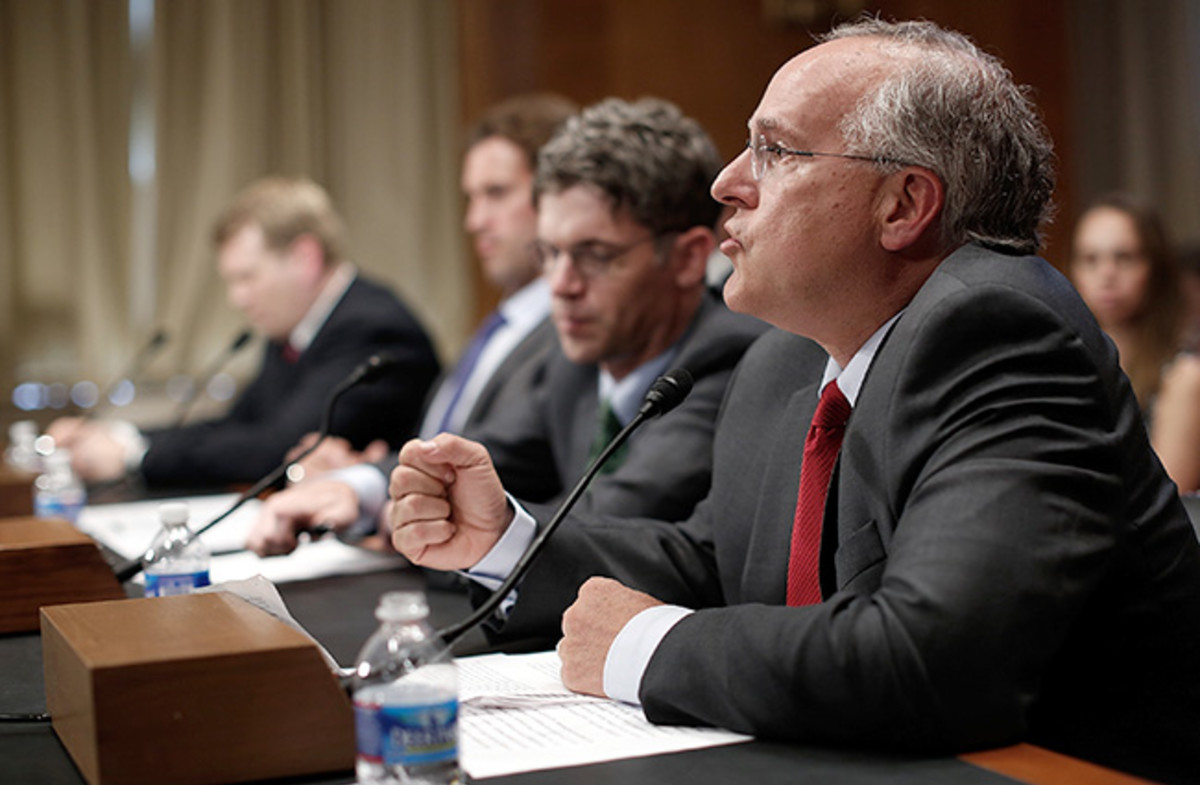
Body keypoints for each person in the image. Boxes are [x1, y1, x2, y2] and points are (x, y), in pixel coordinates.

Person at [387, 18, 1200, 785]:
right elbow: (715, 561)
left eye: (773, 151)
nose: (726, 183)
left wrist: (644, 644)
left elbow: (935, 660)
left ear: (904, 205)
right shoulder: (787, 358)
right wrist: (507, 541)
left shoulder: (999, 331)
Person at [251, 97, 766, 564]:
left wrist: (426, 525)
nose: (561, 286)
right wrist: (358, 490)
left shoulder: (727, 360)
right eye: (550, 253)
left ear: (687, 258)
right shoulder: (575, 365)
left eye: (595, 256)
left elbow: (606, 524)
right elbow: (485, 455)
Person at [248, 93, 577, 554]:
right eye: (471, 197)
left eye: (496, 194)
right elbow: (452, 436)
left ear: (557, 196)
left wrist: (361, 484)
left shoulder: (575, 326)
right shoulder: (502, 324)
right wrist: (361, 469)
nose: (474, 220)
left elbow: (509, 451)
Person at [49, 176, 440, 488]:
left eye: (247, 277)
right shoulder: (295, 326)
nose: (237, 298)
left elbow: (279, 448)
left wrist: (134, 457)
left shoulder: (371, 327)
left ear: (305, 258)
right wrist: (123, 436)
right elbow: (240, 426)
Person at [1070, 194, 1200, 492]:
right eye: (1090, 259)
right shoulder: (1062, 364)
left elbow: (1169, 500)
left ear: (1154, 268)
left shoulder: (1182, 377)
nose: (1107, 274)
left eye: (1124, 257)